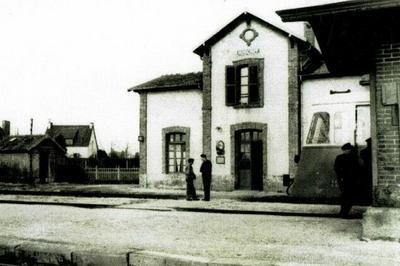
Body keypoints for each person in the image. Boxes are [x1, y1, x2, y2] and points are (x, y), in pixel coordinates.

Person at [334, 143, 359, 218]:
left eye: (349, 149)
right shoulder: (352, 158)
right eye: (347, 149)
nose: (348, 151)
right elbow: (337, 168)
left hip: (346, 179)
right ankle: (344, 213)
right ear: (344, 150)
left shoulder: (340, 157)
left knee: (347, 196)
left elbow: (336, 168)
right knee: (346, 196)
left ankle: (344, 212)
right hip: (346, 179)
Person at [360, 138, 372, 204]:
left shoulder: (363, 151)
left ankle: (366, 198)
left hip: (365, 170)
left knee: (366, 185)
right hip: (369, 170)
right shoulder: (372, 151)